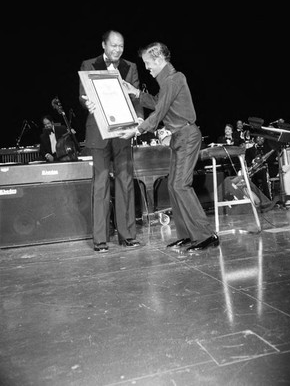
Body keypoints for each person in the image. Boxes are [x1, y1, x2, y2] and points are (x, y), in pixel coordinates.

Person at [120, 41, 219, 252]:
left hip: (187, 136)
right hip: (178, 137)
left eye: (148, 63)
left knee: (181, 185)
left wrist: (138, 130)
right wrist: (136, 93)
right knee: (174, 186)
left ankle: (206, 235)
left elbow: (159, 112)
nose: (147, 67)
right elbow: (158, 102)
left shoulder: (175, 78)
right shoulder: (168, 83)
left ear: (158, 59)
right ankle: (187, 235)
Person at [79, 30, 144, 253]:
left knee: (126, 182)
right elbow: (84, 95)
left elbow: (136, 97)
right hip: (98, 132)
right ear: (104, 45)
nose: (117, 50)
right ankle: (100, 239)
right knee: (100, 184)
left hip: (123, 131)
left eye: (121, 46)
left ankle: (127, 235)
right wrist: (87, 103)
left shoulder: (131, 67)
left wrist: (140, 120)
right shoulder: (89, 64)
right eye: (113, 45)